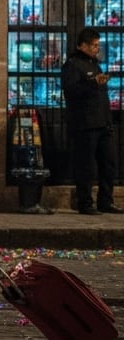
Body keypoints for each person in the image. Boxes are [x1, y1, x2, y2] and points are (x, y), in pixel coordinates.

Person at [61, 28, 120, 215]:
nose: (97, 48)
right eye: (94, 45)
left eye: (98, 45)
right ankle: (85, 203)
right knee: (86, 166)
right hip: (85, 124)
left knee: (108, 164)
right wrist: (93, 83)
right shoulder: (72, 65)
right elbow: (71, 90)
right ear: (83, 45)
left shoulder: (95, 64)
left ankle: (106, 200)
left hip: (103, 122)